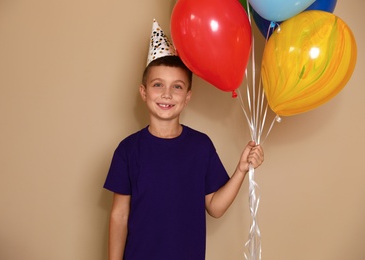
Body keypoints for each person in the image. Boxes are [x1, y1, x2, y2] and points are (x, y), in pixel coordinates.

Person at [104, 20, 264, 260]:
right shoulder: (128, 150)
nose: (167, 94)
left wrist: (241, 170)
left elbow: (215, 207)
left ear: (188, 96)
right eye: (158, 85)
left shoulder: (200, 147)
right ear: (144, 92)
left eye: (177, 87)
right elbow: (119, 216)